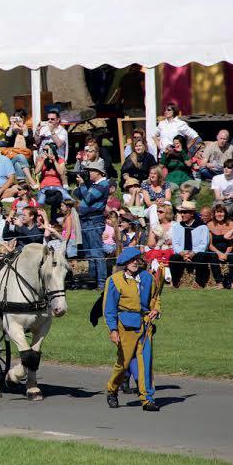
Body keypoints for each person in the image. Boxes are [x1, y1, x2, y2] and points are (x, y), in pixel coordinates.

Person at [103, 247, 163, 412]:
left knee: (146, 362)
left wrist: (156, 309)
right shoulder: (114, 280)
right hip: (125, 327)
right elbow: (109, 309)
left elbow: (155, 297)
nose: (135, 262)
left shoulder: (148, 277)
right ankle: (112, 390)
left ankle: (147, 399)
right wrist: (113, 330)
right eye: (131, 260)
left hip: (145, 325)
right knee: (124, 363)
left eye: (137, 259)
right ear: (124, 262)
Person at [73, 159, 110, 290]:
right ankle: (92, 281)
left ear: (98, 172)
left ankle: (101, 283)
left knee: (96, 253)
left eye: (90, 171)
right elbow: (77, 194)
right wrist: (81, 184)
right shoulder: (93, 184)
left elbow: (88, 199)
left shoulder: (103, 184)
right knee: (89, 253)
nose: (88, 173)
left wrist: (83, 185)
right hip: (86, 221)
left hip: (93, 221)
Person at [169, 200, 210, 289]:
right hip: (183, 253)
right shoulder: (177, 226)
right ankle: (175, 282)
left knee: (201, 256)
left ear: (192, 213)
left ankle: (199, 283)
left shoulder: (202, 226)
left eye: (184, 212)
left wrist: (192, 253)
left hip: (196, 253)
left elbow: (204, 244)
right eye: (181, 212)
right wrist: (182, 253)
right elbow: (175, 243)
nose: (182, 214)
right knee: (173, 258)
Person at [206, 205, 233, 288]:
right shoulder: (209, 225)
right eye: (217, 212)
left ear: (225, 213)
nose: (219, 214)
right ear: (214, 214)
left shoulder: (231, 224)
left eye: (221, 212)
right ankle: (219, 282)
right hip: (215, 250)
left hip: (228, 249)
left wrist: (226, 254)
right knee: (212, 257)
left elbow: (231, 243)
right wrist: (219, 253)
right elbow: (210, 245)